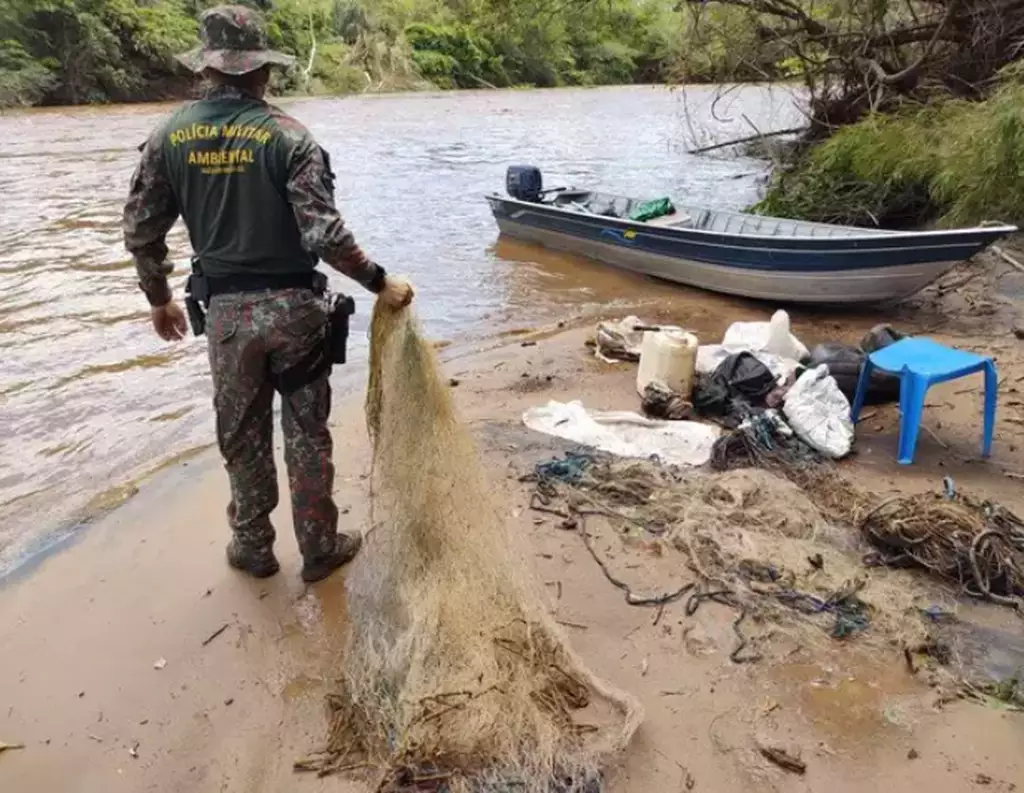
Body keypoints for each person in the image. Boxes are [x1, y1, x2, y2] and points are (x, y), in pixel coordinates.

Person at [122, 4, 413, 583]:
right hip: (298, 315)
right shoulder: (289, 137)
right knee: (306, 434)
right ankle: (319, 548)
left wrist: (159, 298)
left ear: (207, 68)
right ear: (262, 71)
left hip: (227, 318)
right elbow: (324, 235)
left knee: (240, 434)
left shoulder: (168, 137)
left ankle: (253, 546)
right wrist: (380, 281)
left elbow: (140, 229)